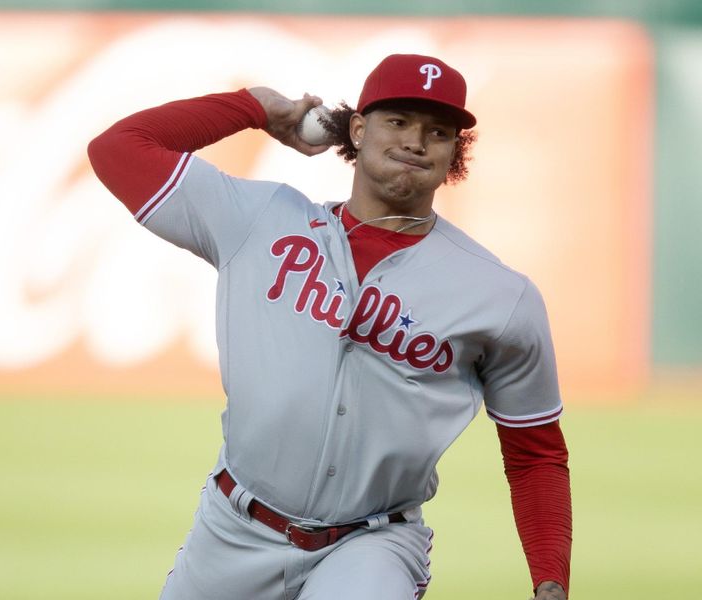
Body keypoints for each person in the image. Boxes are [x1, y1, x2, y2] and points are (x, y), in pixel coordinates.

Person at [88, 53, 572, 600]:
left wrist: (550, 576)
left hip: (371, 547)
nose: (416, 141)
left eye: (438, 132)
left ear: (454, 154)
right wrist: (255, 108)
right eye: (398, 122)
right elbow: (118, 148)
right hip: (232, 530)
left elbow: (536, 453)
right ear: (358, 130)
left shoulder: (500, 296)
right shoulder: (258, 219)